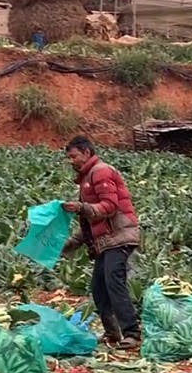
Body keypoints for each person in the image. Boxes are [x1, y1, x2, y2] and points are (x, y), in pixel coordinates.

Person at [60, 136, 142, 350]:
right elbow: (90, 223)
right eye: (68, 157)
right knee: (98, 286)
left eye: (73, 156)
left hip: (120, 236)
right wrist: (69, 245)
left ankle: (132, 332)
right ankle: (112, 332)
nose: (71, 161)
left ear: (86, 153)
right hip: (106, 241)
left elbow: (110, 206)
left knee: (113, 280)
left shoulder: (101, 171)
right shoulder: (87, 178)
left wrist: (81, 207)